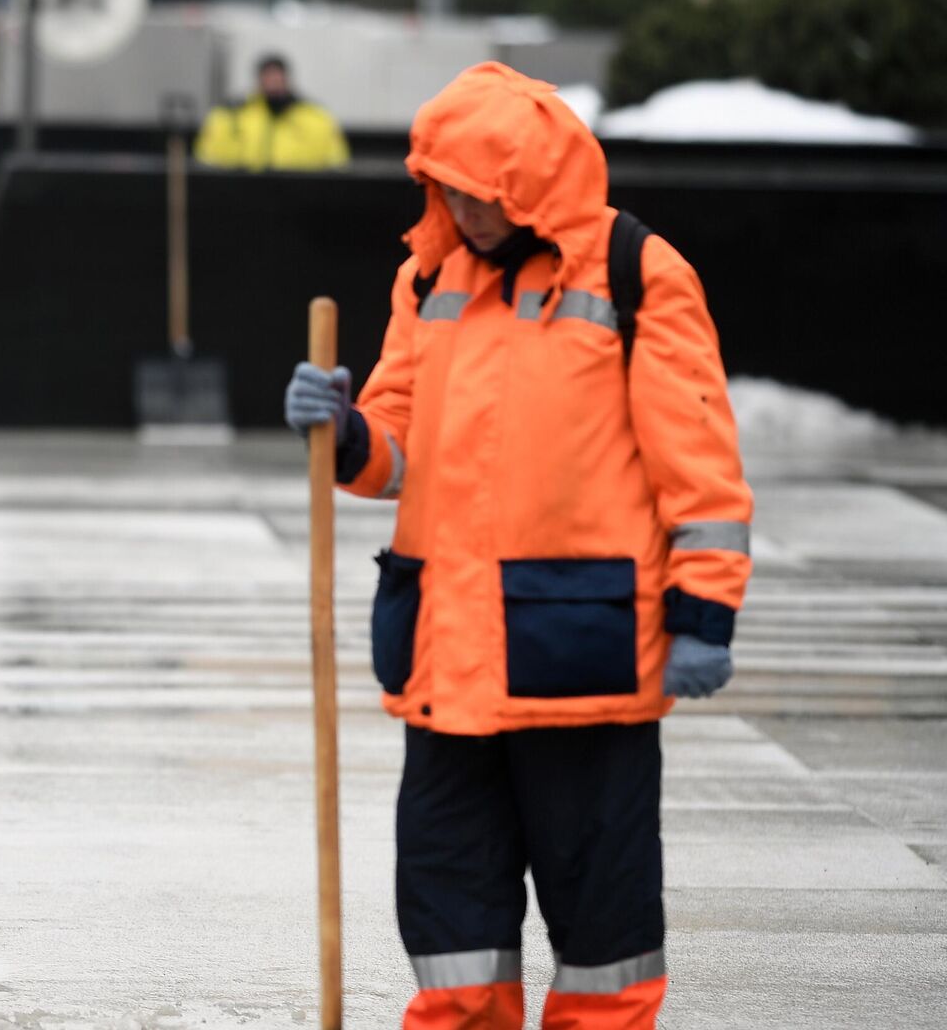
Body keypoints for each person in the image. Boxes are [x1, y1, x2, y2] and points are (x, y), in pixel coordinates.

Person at [283, 63, 751, 1029]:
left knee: (603, 947)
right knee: (454, 943)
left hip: (579, 668)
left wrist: (705, 613)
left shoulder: (635, 273)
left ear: (533, 185)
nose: (466, 210)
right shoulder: (428, 278)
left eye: (484, 193)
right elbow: (398, 447)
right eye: (447, 189)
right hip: (449, 666)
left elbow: (697, 467)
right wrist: (344, 432)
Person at [195, 53, 349, 172]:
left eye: (277, 76)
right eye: (268, 76)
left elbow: (336, 163)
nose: (273, 82)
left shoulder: (317, 117)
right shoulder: (229, 116)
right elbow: (207, 159)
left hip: (301, 194)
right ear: (259, 80)